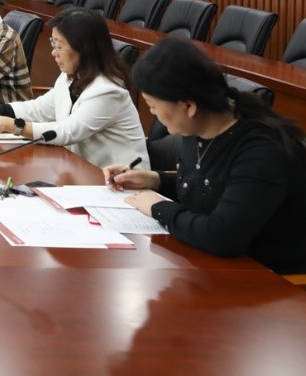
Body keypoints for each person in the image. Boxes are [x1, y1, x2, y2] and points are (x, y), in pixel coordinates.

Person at [105, 37, 306, 275]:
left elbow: (221, 235)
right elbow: (210, 186)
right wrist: (155, 180)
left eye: (153, 105)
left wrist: (159, 207)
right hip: (219, 265)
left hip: (274, 279)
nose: (152, 112)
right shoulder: (199, 128)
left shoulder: (260, 152)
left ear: (189, 106)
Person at [0, 7, 149, 169]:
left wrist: (12, 125)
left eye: (58, 46)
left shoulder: (108, 90)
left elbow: (67, 131)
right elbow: (38, 109)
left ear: (83, 48)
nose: (53, 53)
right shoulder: (70, 78)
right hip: (82, 172)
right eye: (52, 44)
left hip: (123, 185)